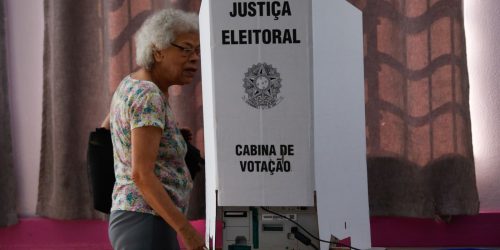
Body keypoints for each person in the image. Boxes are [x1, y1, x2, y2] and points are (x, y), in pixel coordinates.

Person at [106, 9, 205, 250]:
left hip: (137, 219)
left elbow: (106, 127)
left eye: (198, 50)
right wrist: (187, 231)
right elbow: (142, 174)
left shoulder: (131, 84)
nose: (194, 58)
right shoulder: (148, 95)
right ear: (158, 50)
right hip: (146, 221)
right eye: (185, 49)